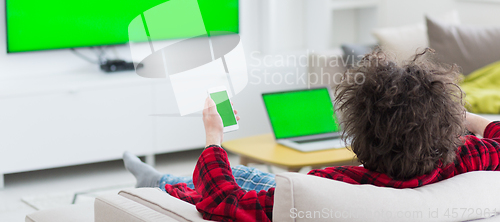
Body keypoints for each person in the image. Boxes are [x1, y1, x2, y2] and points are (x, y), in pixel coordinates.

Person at [123, 49, 500, 222]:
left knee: (241, 179)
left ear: (358, 134)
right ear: (447, 124)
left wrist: (213, 138)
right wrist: (463, 117)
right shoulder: (471, 157)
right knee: (253, 176)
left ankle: (158, 181)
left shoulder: (328, 186)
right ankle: (157, 178)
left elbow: (223, 201)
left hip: (272, 192)